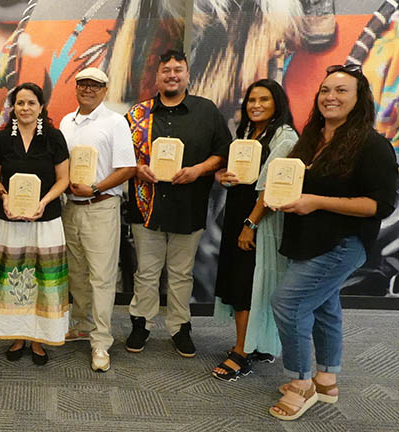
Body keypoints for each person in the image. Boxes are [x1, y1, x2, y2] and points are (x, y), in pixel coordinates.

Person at [269, 65, 397, 420]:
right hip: (305, 240)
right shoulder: (311, 138)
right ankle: (326, 378)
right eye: (325, 90)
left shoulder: (372, 145)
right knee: (324, 306)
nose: (331, 97)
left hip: (342, 243)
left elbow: (379, 205)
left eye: (342, 91)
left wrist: (317, 202)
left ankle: (301, 382)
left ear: (359, 100)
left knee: (287, 304)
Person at [125, 50, 231, 358]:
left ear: (187, 75)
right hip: (147, 207)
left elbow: (223, 151)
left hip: (189, 206)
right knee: (145, 272)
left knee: (182, 273)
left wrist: (199, 169)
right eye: (166, 70)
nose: (172, 75)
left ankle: (179, 327)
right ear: (156, 77)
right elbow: (121, 155)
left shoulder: (206, 110)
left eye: (178, 70)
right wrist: (136, 168)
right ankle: (141, 324)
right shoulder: (138, 114)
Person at [212, 79, 298, 382]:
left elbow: (271, 186)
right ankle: (257, 343)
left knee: (246, 284)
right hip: (240, 213)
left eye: (263, 99)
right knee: (245, 280)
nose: (256, 105)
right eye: (251, 100)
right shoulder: (248, 132)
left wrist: (250, 224)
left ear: (277, 103)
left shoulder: (284, 137)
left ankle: (241, 352)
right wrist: (225, 176)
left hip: (260, 218)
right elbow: (244, 175)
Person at [0, 82, 70, 365]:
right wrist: (4, 196)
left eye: (31, 103)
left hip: (45, 220)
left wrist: (44, 201)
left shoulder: (54, 138)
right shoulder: (0, 139)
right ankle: (17, 335)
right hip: (10, 219)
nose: (25, 108)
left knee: (44, 280)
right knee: (14, 279)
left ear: (41, 107)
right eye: (20, 103)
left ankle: (38, 338)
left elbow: (64, 180)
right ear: (13, 108)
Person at [59, 67, 136, 372]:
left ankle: (101, 341)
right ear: (76, 88)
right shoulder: (67, 121)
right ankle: (81, 324)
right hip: (70, 207)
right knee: (75, 272)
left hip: (101, 206)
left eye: (95, 85)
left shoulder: (115, 122)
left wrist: (94, 187)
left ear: (105, 90)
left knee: (101, 277)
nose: (88, 89)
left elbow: (127, 168)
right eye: (83, 84)